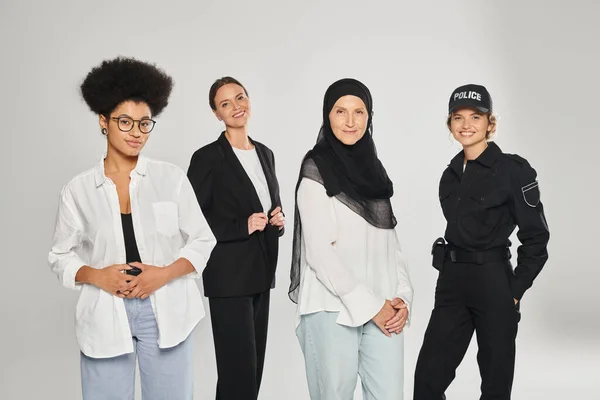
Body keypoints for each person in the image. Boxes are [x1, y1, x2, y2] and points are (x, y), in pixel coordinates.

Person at [48, 57, 216, 400]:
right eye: (125, 122)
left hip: (166, 307)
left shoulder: (170, 179)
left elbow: (202, 239)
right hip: (106, 311)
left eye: (144, 123)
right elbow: (59, 255)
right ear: (103, 122)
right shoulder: (78, 190)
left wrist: (164, 274)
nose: (136, 133)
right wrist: (98, 276)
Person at [413, 84, 550, 400]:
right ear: (450, 125)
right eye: (458, 118)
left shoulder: (514, 171)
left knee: (495, 386)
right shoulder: (450, 174)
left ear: (491, 123)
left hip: (494, 282)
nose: (466, 125)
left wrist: (513, 292)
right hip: (452, 283)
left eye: (476, 116)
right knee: (428, 379)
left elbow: (537, 237)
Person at [289, 78, 413, 400]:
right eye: (340, 111)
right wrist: (372, 306)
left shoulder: (375, 172)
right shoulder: (316, 169)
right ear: (327, 116)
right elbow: (318, 252)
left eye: (359, 112)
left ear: (369, 117)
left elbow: (390, 244)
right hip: (330, 309)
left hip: (384, 307)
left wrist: (403, 297)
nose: (350, 121)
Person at [187, 77, 284, 400]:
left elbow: (267, 205)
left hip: (261, 274)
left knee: (251, 375)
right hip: (228, 279)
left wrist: (278, 220)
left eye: (240, 98)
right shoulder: (207, 158)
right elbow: (190, 219)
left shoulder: (265, 153)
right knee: (237, 374)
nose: (236, 106)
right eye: (225, 103)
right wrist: (239, 226)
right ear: (217, 114)